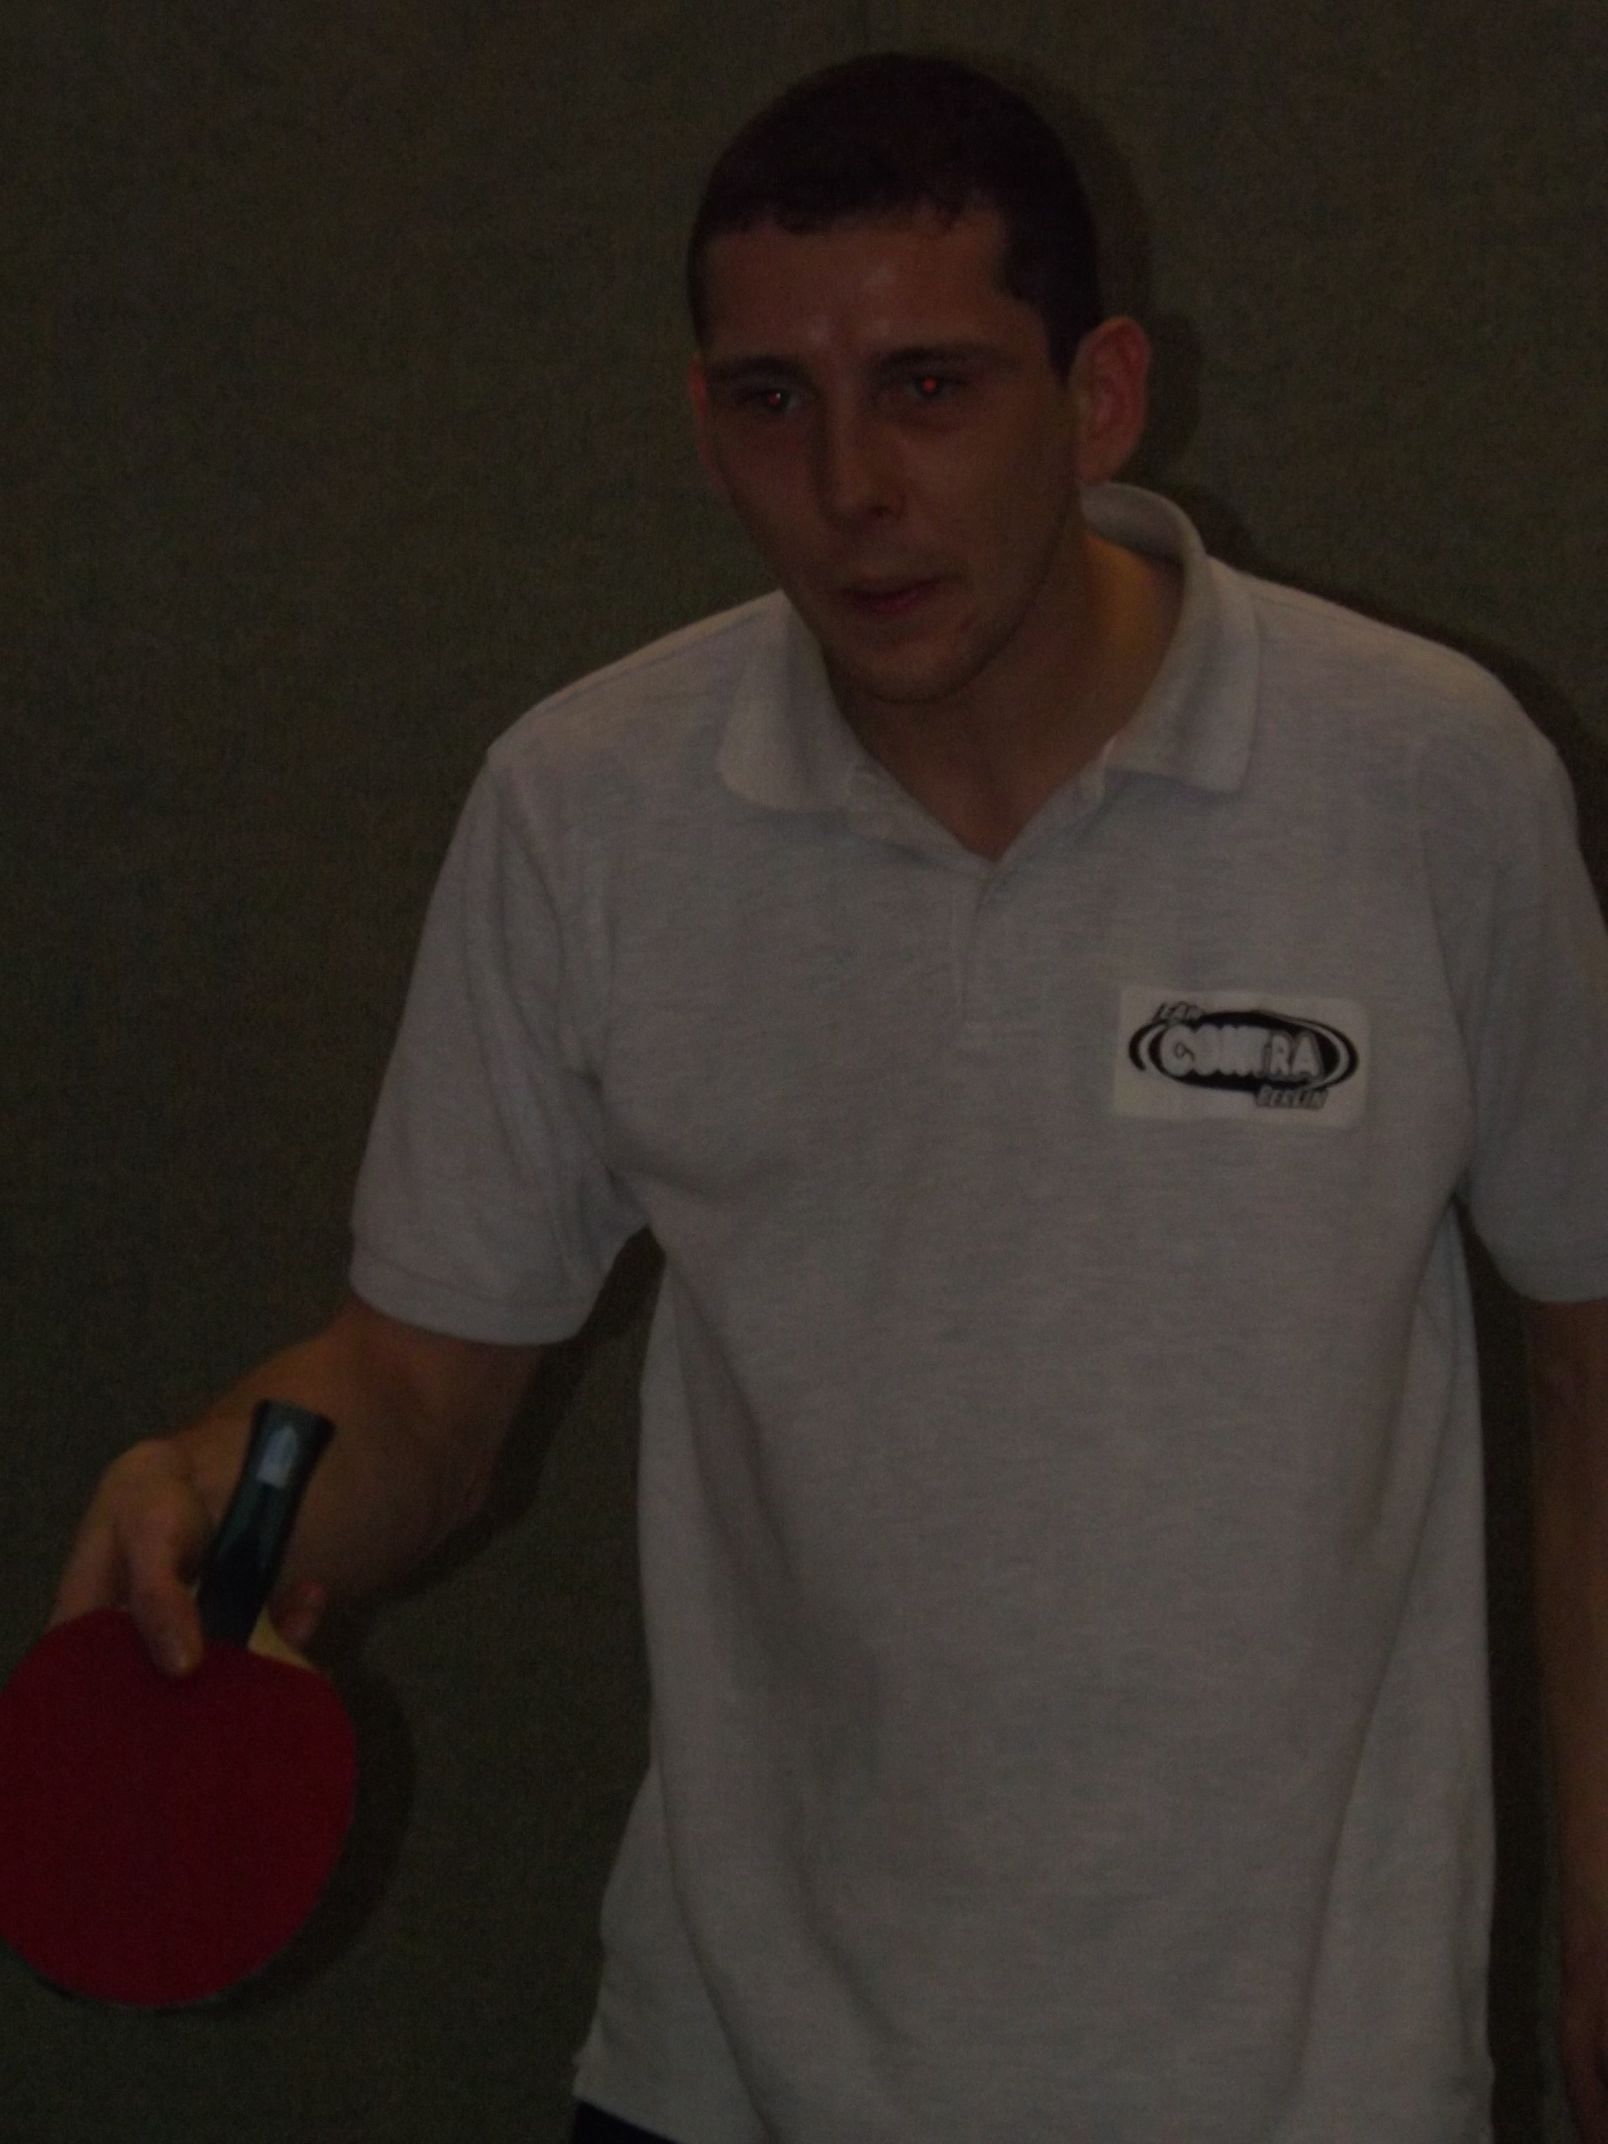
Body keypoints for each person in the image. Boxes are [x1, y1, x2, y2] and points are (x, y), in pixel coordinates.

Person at [50, 49, 1608, 2144]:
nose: (853, 484)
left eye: (932, 387)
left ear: (1103, 397)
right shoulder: (586, 809)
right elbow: (418, 1391)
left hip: (1307, 2085)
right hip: (732, 2081)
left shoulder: (1429, 778)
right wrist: (220, 1484)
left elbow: (1593, 1357)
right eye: (774, 400)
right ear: (705, 419)